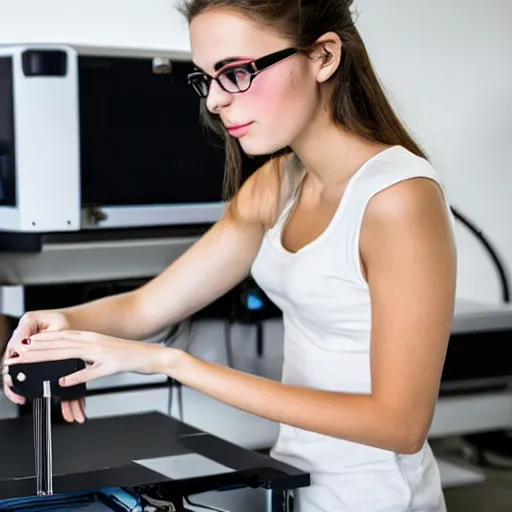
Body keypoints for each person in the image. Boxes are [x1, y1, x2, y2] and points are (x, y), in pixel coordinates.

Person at [2, 0, 457, 510]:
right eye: (206, 79)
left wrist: (171, 362)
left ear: (324, 56)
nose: (215, 101)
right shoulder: (276, 185)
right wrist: (57, 323)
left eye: (236, 73)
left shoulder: (398, 197)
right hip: (299, 488)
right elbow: (146, 307)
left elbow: (399, 426)